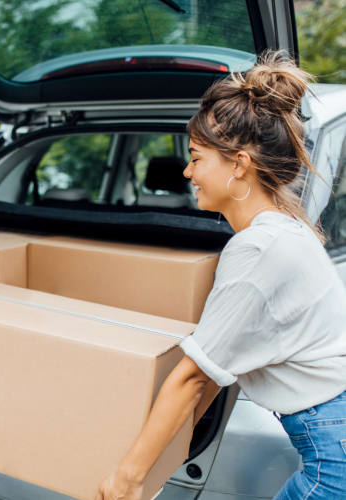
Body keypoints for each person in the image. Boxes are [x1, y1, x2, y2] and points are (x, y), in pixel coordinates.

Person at [96, 51, 346, 500]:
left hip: (335, 457)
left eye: (196, 158)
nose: (188, 172)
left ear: (239, 164)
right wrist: (165, 451)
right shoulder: (280, 232)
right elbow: (214, 369)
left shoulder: (258, 249)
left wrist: (125, 482)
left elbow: (193, 377)